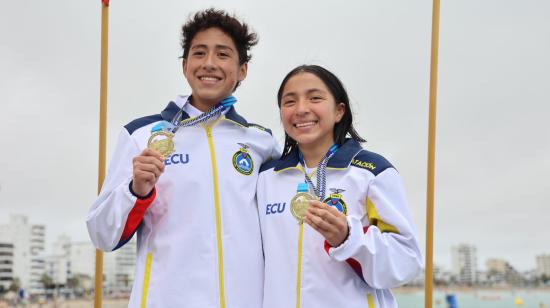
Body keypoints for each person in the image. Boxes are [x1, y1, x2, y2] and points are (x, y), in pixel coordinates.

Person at [87, 9, 279, 307]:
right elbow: (102, 235)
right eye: (199, 53)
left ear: (242, 70)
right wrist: (135, 191)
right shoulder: (142, 135)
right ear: (185, 65)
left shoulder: (261, 141)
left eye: (223, 54)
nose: (210, 64)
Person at [257, 65, 422, 308]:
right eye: (289, 102)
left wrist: (348, 238)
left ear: (339, 111)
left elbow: (407, 261)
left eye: (315, 98)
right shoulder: (266, 177)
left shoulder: (371, 172)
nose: (301, 109)